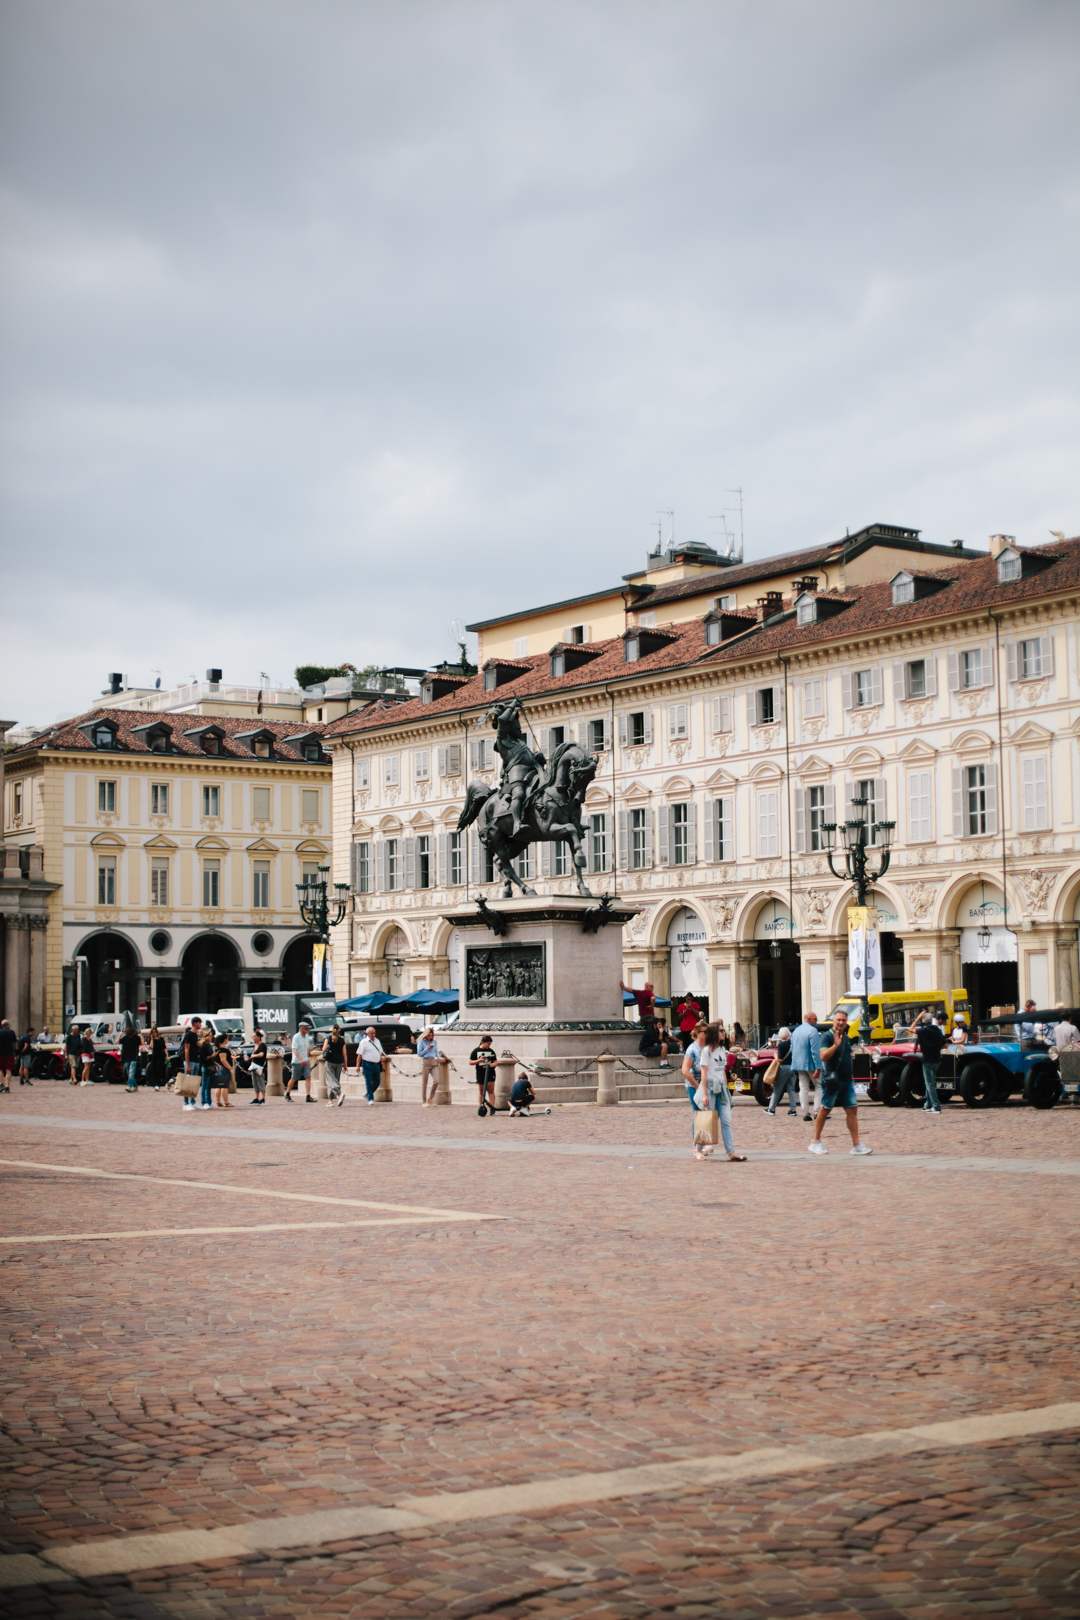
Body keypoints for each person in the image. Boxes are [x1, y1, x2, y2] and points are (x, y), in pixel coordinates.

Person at [809, 1011, 872, 1156]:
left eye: (844, 1020)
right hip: (832, 1079)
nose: (841, 1023)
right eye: (839, 1020)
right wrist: (835, 1045)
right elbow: (823, 1056)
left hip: (846, 1080)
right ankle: (815, 1142)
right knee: (825, 1109)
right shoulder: (827, 1036)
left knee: (852, 1110)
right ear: (833, 1020)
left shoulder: (846, 1037)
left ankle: (856, 1145)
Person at [699, 1022, 746, 1163]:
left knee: (726, 1120)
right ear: (714, 1032)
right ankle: (698, 1148)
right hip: (710, 1087)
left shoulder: (721, 1050)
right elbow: (704, 1073)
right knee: (707, 1120)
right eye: (720, 1030)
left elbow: (723, 1071)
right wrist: (705, 1094)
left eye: (723, 1030)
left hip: (721, 1088)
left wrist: (726, 1088)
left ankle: (731, 1152)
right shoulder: (706, 1051)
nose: (723, 1033)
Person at [789, 1011, 822, 1121]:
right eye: (815, 1018)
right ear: (809, 1019)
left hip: (798, 1064)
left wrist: (794, 1067)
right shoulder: (813, 1031)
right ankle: (817, 1111)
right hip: (811, 1063)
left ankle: (805, 1113)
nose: (817, 1021)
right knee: (819, 1085)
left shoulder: (796, 1031)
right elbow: (815, 1051)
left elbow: (793, 1050)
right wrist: (818, 1067)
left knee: (803, 1088)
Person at [915, 1011, 946, 1113]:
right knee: (930, 1082)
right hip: (937, 1059)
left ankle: (936, 1106)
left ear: (924, 1022)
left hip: (927, 1059)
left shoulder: (923, 1031)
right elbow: (945, 1045)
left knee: (929, 1084)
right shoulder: (938, 1030)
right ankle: (928, 1104)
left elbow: (911, 1029)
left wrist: (918, 1017)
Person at [764, 1027, 798, 1117]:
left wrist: (775, 1056)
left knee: (778, 1088)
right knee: (791, 1089)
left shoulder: (781, 1045)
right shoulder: (792, 1044)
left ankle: (771, 1108)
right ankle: (793, 1109)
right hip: (792, 1067)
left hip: (784, 1068)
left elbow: (780, 1060)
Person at [286, 1020, 315, 1102]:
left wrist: (309, 1052)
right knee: (294, 1078)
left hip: (306, 1059)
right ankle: (287, 1093)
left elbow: (306, 1048)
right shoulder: (296, 1037)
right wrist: (300, 1059)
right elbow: (294, 1049)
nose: (307, 1029)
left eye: (307, 1028)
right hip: (297, 1061)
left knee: (308, 1077)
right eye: (305, 1028)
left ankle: (308, 1096)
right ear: (301, 1028)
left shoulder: (307, 1037)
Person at [357, 1026, 385, 1105]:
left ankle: (368, 1094)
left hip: (376, 1064)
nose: (373, 1035)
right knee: (368, 1081)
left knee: (377, 1081)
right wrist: (357, 1066)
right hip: (367, 1063)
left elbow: (380, 1053)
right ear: (367, 1034)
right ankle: (370, 1098)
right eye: (371, 1033)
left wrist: (381, 1063)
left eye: (374, 1033)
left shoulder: (377, 1041)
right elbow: (359, 1055)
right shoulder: (364, 1042)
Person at [470, 1034, 497, 1114]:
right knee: (481, 1091)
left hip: (490, 1072)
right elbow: (470, 1062)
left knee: (491, 1090)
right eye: (487, 1044)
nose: (489, 1046)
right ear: (482, 1042)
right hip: (480, 1072)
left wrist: (492, 1065)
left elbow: (496, 1062)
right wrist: (479, 1061)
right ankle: (481, 1107)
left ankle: (492, 1108)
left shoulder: (491, 1051)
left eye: (490, 1044)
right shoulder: (476, 1051)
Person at [323, 1023, 347, 1108]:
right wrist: (345, 1065)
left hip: (330, 1061)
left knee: (330, 1080)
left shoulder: (328, 1038)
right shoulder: (342, 1040)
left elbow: (324, 1049)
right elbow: (344, 1053)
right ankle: (330, 1100)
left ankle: (339, 1094)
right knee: (335, 1080)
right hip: (339, 1062)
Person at [417, 1027, 441, 1105]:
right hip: (425, 1061)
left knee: (436, 1081)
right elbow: (419, 1054)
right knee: (424, 1082)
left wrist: (438, 1057)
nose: (430, 1037)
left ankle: (431, 1097)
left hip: (433, 1061)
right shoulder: (421, 1042)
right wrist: (427, 1049)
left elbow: (436, 1050)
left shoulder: (434, 1041)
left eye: (431, 1035)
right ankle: (423, 1101)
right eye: (429, 1035)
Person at [118, 1023, 142, 1092]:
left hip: (133, 1057)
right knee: (129, 1073)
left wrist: (120, 1034)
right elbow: (117, 1042)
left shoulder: (135, 1038)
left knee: (131, 1072)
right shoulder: (126, 1038)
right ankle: (135, 1085)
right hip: (127, 1057)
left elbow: (142, 1043)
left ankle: (129, 1085)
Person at [213, 1034, 235, 1107]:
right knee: (224, 1086)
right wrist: (230, 1068)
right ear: (225, 1040)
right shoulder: (223, 1050)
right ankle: (226, 1102)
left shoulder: (217, 1049)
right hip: (223, 1068)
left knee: (218, 1086)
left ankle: (218, 1102)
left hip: (218, 1068)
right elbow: (223, 1060)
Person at [197, 1028, 216, 1109]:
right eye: (210, 1036)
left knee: (209, 1086)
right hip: (205, 1066)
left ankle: (209, 1101)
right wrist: (212, 1056)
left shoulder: (209, 1045)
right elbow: (203, 1058)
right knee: (204, 1085)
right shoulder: (203, 1046)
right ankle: (204, 1102)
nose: (211, 1038)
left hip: (211, 1066)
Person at [249, 1029, 268, 1104]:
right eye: (253, 1036)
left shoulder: (262, 1045)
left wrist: (253, 1055)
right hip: (254, 1066)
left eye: (255, 1036)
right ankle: (256, 1097)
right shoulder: (255, 1046)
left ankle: (263, 1098)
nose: (253, 1038)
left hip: (260, 1066)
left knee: (260, 1082)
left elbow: (261, 1054)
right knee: (255, 1082)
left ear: (259, 1037)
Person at [146, 1026, 167, 1091]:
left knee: (159, 1069)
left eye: (155, 1032)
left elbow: (164, 1048)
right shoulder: (151, 1040)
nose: (154, 1033)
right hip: (154, 1055)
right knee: (154, 1070)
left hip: (161, 1055)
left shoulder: (161, 1039)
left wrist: (167, 1056)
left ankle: (157, 1084)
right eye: (152, 1032)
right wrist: (152, 1038)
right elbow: (151, 1047)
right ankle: (155, 1084)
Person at [0, 1020, 16, 1093]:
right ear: (8, 1025)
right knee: (8, 1070)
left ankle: (1, 1084)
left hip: (0, 1053)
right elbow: (15, 1043)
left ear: (2, 1025)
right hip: (10, 1053)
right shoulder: (12, 1032)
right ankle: (7, 1087)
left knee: (0, 1069)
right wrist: (16, 1051)